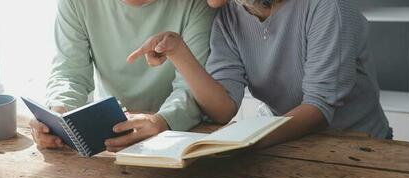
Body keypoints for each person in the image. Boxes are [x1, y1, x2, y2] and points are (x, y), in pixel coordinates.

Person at [128, 0, 392, 148]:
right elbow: (223, 109)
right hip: (290, 146)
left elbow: (319, 108)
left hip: (360, 148)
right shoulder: (229, 17)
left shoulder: (326, 6)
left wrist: (243, 142)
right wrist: (178, 51)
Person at [30, 0, 216, 152]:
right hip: (110, 134)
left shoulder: (197, 4)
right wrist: (57, 115)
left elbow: (192, 86)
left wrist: (162, 120)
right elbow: (70, 72)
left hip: (183, 134)